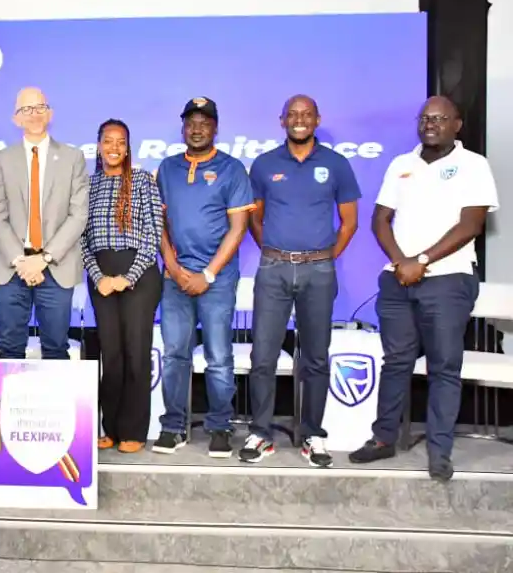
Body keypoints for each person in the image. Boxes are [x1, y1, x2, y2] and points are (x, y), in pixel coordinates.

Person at [348, 96, 498, 481]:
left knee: (444, 366)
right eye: (425, 118)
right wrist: (402, 263)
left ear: (457, 124)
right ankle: (384, 439)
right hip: (398, 279)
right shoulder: (402, 164)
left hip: (448, 280)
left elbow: (471, 225)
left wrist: (423, 261)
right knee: (395, 361)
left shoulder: (473, 165)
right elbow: (381, 219)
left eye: (440, 118)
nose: (430, 124)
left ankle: (439, 450)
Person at [240, 95, 361, 468]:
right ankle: (261, 433)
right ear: (281, 121)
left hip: (319, 272)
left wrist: (322, 258)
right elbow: (254, 219)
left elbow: (350, 222)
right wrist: (277, 253)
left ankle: (312, 435)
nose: (299, 120)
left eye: (306, 115)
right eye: (292, 115)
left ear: (317, 119)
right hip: (273, 269)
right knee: (262, 356)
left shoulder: (336, 164)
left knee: (316, 357)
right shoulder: (263, 164)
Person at [154, 97, 254, 458]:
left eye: (204, 123)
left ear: (215, 128)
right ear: (183, 128)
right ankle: (173, 426)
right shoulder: (166, 168)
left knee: (218, 356)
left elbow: (238, 228)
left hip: (218, 280)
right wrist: (175, 268)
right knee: (175, 354)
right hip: (175, 279)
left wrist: (208, 274)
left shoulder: (232, 169)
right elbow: (159, 225)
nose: (197, 129)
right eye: (191, 123)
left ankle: (220, 426)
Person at [0, 87, 89, 359]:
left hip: (56, 266)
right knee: (10, 349)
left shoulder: (72, 158)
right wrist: (22, 261)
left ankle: (56, 404)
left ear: (50, 113)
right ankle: (6, 404)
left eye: (39, 107)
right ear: (16, 119)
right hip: (12, 268)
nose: (34, 114)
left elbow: (78, 214)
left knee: (56, 348)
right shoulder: (2, 160)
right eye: (26, 109)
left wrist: (43, 258)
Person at [81, 119, 163, 454]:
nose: (114, 148)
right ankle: (110, 427)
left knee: (136, 352)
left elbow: (153, 233)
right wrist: (99, 277)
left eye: (121, 142)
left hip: (138, 275)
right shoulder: (87, 185)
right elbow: (80, 239)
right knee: (110, 356)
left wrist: (127, 277)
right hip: (101, 275)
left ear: (128, 147)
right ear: (98, 145)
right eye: (107, 141)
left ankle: (133, 430)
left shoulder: (142, 180)